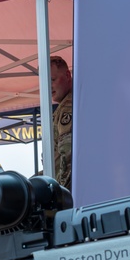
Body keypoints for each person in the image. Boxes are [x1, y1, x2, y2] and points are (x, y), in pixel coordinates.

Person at [49, 56, 73, 190]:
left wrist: (59, 193)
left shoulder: (68, 107)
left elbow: (67, 157)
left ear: (67, 75)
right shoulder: (64, 106)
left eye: (53, 80)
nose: (49, 86)